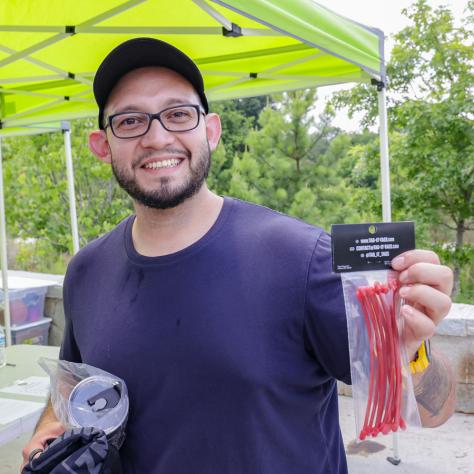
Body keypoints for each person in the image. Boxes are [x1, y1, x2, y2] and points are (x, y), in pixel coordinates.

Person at [22, 38, 455, 473]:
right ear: (102, 145)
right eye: (131, 121)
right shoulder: (86, 270)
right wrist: (49, 427)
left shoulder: (301, 257)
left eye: (178, 114)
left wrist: (412, 351)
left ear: (211, 130)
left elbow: (435, 412)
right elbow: (70, 384)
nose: (157, 137)